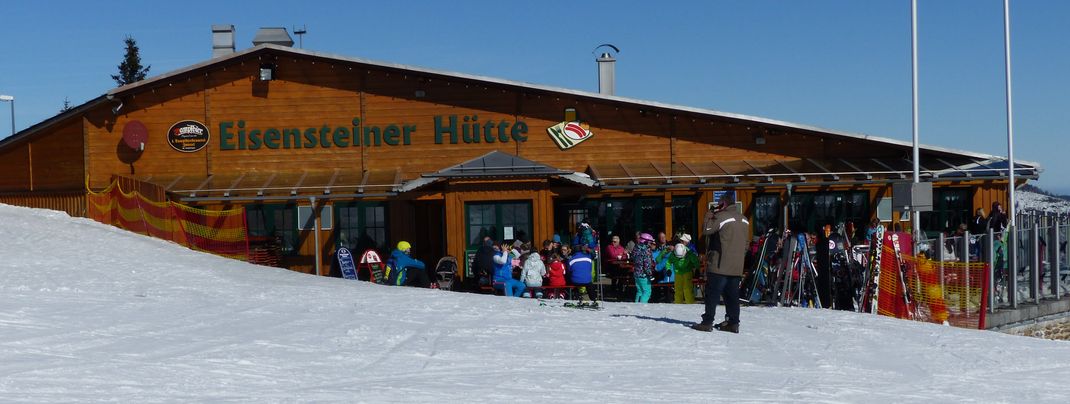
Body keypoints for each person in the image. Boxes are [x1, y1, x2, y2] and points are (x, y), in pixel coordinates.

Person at [692, 192, 749, 333]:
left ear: (723, 203)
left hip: (719, 264)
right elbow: (746, 244)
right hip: (736, 266)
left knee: (712, 294)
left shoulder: (722, 217)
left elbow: (706, 230)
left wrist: (709, 214)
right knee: (732, 295)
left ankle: (707, 322)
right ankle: (733, 322)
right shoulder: (744, 220)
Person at [632, 233, 655, 304]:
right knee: (647, 291)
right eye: (650, 242)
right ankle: (642, 306)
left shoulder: (636, 248)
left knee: (640, 291)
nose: (650, 244)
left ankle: (636, 305)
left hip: (636, 273)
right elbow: (647, 264)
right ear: (645, 241)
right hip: (643, 275)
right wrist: (650, 274)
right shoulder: (646, 250)